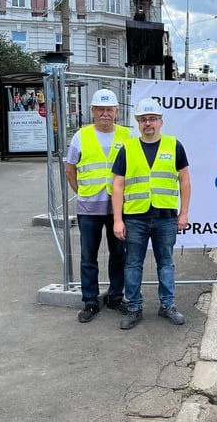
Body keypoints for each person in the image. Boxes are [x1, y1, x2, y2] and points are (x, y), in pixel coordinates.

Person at [111, 98, 191, 330]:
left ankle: (168, 305)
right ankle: (134, 307)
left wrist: (184, 213)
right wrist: (118, 219)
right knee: (133, 264)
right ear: (138, 123)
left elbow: (184, 181)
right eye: (144, 119)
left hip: (166, 216)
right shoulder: (128, 148)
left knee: (166, 263)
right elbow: (118, 185)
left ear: (161, 122)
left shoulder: (174, 145)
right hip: (135, 216)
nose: (148, 123)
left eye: (152, 119)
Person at [64, 89, 131, 323]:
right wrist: (82, 192)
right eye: (100, 109)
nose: (105, 114)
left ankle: (115, 297)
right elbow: (70, 170)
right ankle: (90, 301)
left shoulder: (127, 135)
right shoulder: (80, 136)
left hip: (118, 209)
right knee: (88, 256)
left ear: (116, 111)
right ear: (92, 111)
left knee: (119, 255)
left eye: (109, 109)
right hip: (89, 208)